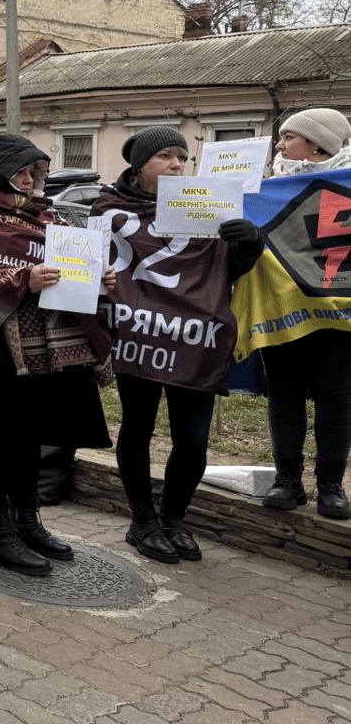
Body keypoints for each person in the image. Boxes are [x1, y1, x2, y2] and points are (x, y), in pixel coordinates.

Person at [0, 134, 114, 577]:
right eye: (20, 172)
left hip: (44, 352)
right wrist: (20, 278)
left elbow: (67, 270)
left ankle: (26, 520)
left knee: (30, 436)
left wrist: (95, 278)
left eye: (34, 173)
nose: (30, 180)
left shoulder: (45, 217)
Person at [91, 126, 264, 563]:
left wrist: (248, 245)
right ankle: (143, 521)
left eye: (182, 158)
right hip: (139, 335)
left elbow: (226, 271)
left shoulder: (207, 207)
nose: (176, 165)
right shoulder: (108, 209)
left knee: (193, 439)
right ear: (139, 166)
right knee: (138, 427)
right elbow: (91, 268)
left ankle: (174, 519)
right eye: (165, 156)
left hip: (194, 339)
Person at [260, 108, 351, 518]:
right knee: (284, 395)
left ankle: (332, 485)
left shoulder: (347, 187)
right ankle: (288, 480)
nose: (279, 145)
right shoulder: (266, 189)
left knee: (336, 399)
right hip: (283, 309)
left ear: (317, 145)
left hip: (339, 317)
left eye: (288, 136)